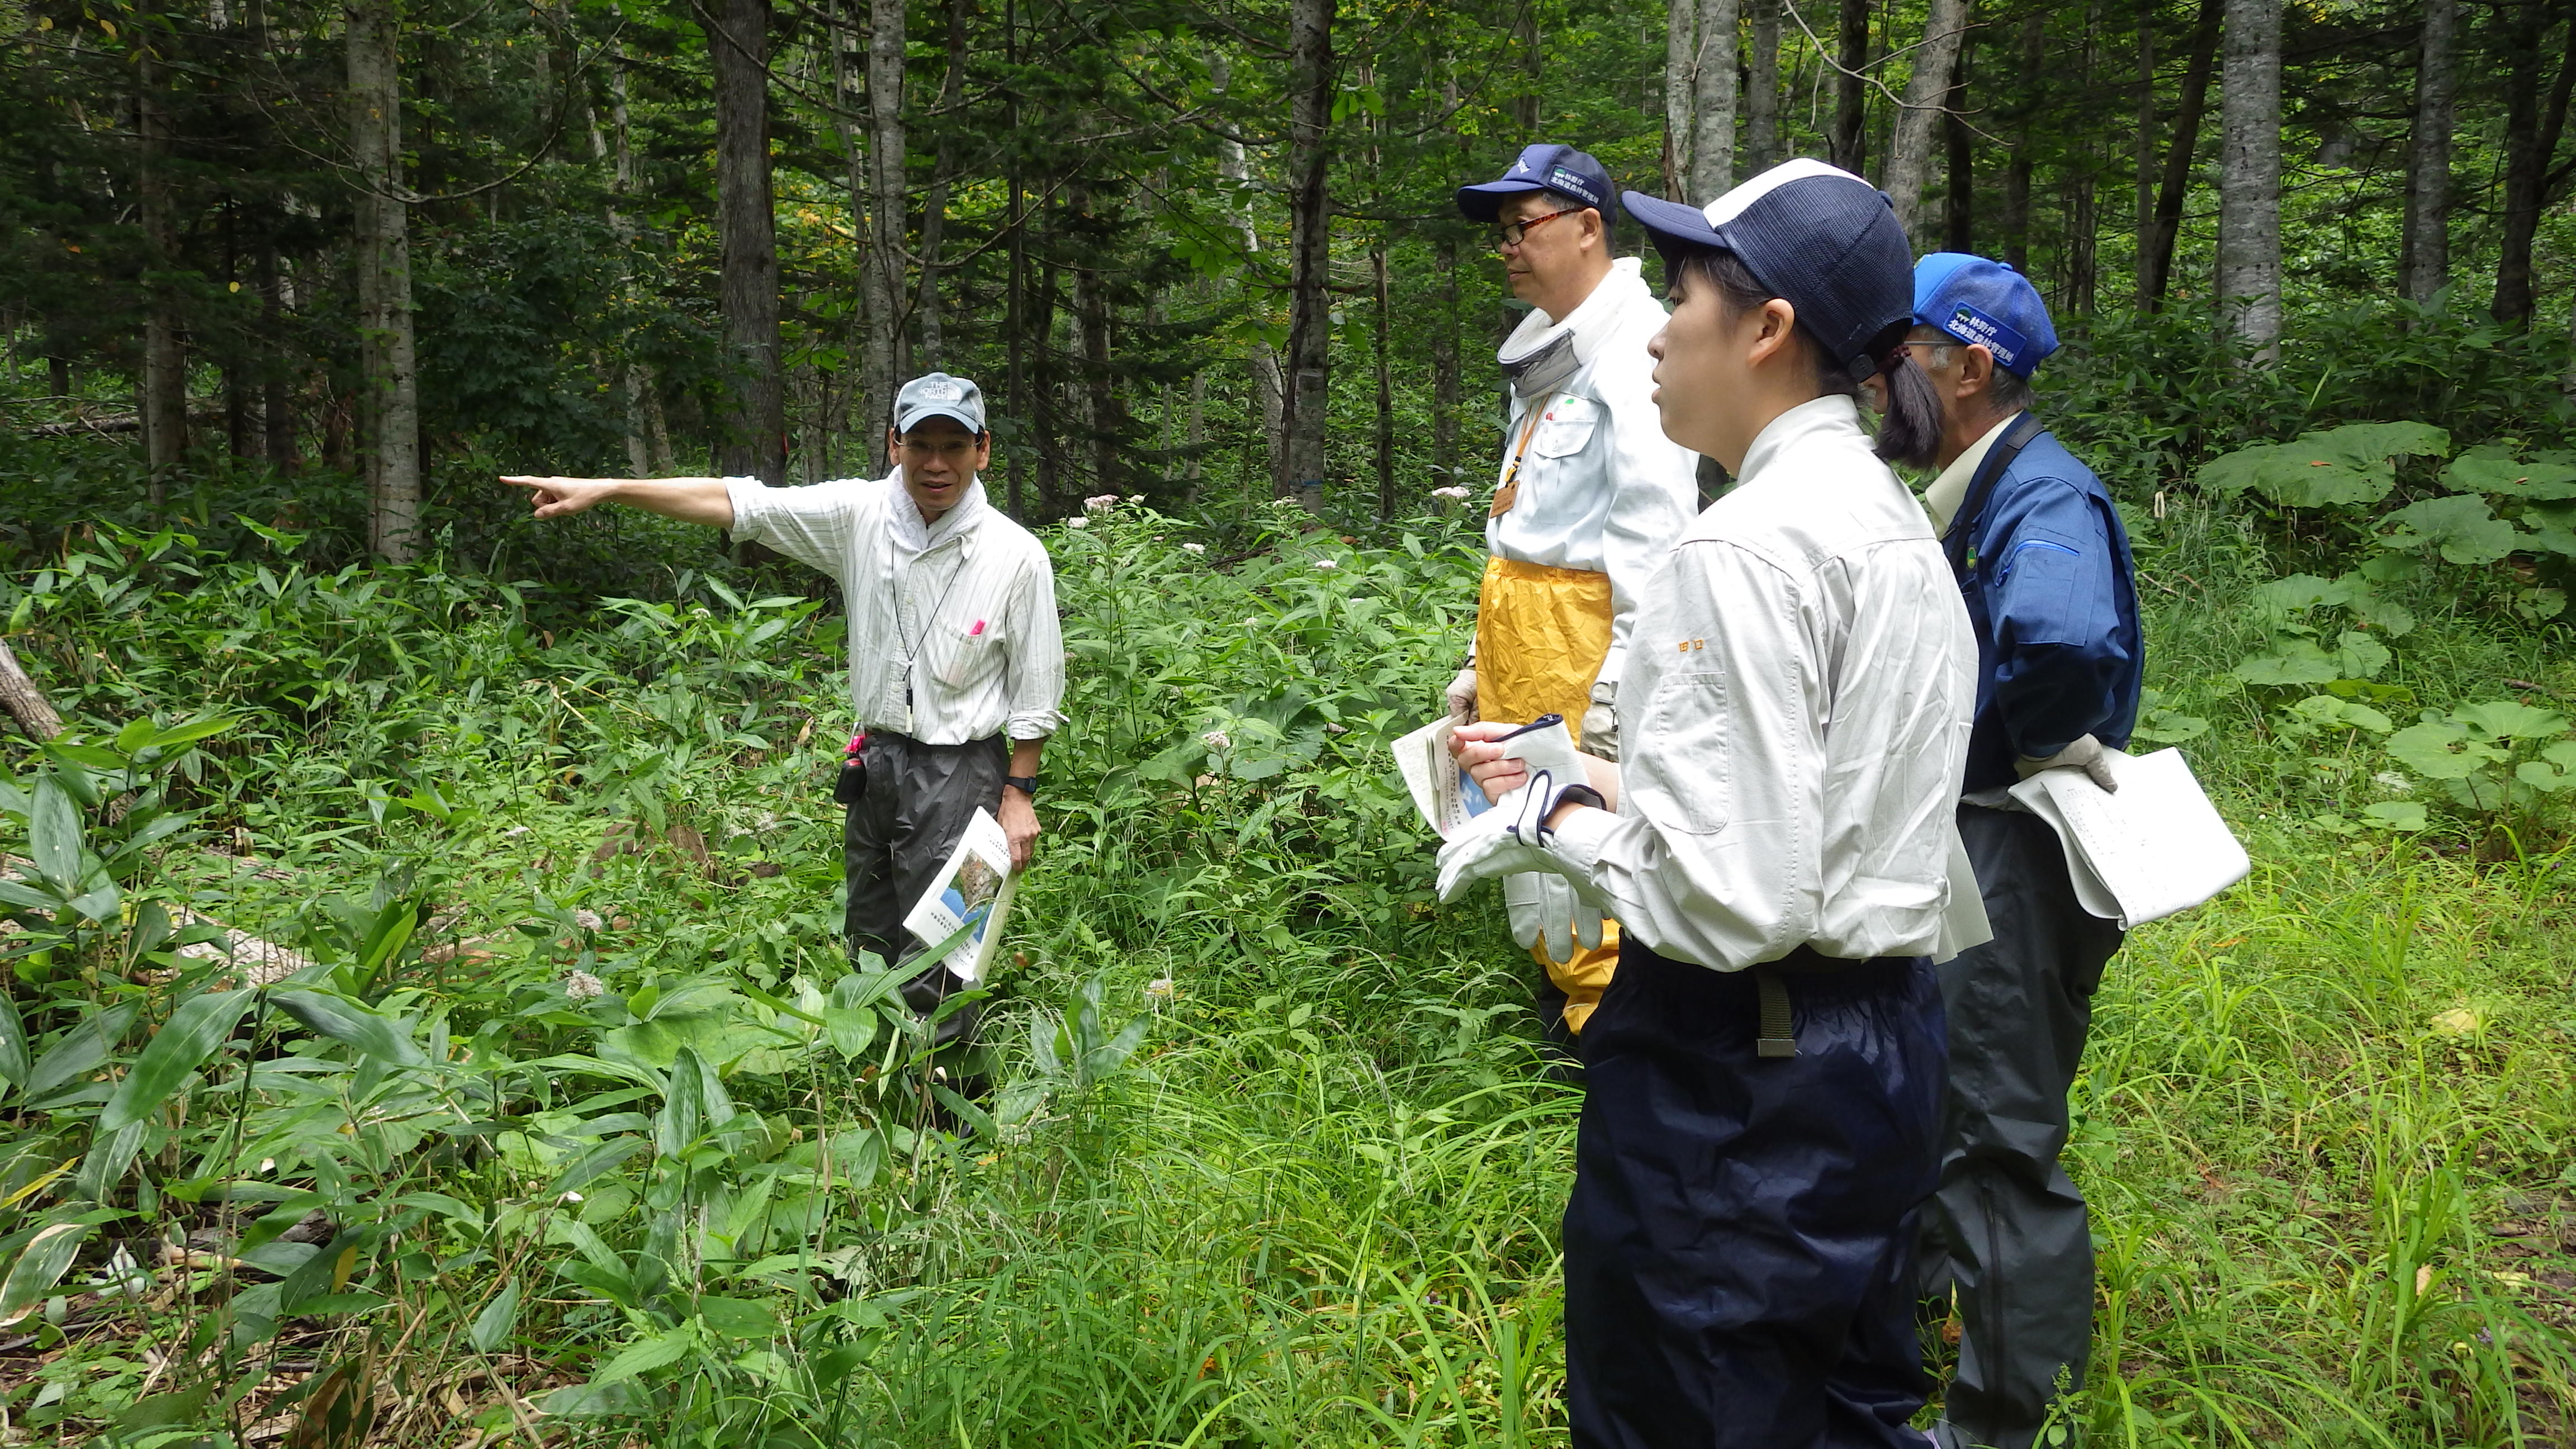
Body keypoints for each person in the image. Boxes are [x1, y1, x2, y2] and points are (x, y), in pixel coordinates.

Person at [1437, 158, 1991, 1447]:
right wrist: (1591, 775)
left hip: (1739, 1079)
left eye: (1682, 295)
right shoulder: (1884, 519)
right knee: (1843, 1407)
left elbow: (1730, 897)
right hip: (1880, 1048)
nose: (1658, 330)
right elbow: (1803, 804)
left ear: (1766, 329)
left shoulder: (1740, 548)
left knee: (1684, 1409)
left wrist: (1551, 824)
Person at [500, 373, 1064, 1044]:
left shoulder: (1016, 555)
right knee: (871, 933)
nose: (935, 464)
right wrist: (610, 489)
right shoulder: (860, 516)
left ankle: (946, 1093)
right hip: (878, 763)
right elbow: (740, 502)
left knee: (949, 945)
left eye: (954, 446)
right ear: (895, 445)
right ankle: (873, 1076)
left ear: (983, 450)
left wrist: (1018, 794)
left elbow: (1036, 685)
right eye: (920, 445)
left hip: (966, 773)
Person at [1891, 254, 2142, 1449]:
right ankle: (1928, 1321)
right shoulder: (1974, 486)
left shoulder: (2042, 498)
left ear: (1968, 367)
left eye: (1899, 355)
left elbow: (2060, 637)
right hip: (1973, 844)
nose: (1878, 379)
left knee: (1994, 1130)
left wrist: (2035, 737)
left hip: (2012, 852)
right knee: (1943, 1097)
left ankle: (2000, 1420)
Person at [1447, 142, 1703, 1045]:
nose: (1507, 247)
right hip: (1527, 644)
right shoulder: (1555, 357)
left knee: (1588, 840)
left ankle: (1618, 1039)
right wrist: (1479, 662)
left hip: (1584, 651)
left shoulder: (1635, 355)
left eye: (1524, 226)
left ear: (1588, 227)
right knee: (1533, 840)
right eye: (1501, 232)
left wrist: (1611, 700)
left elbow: (1655, 543)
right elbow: (1524, 527)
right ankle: (1567, 1007)